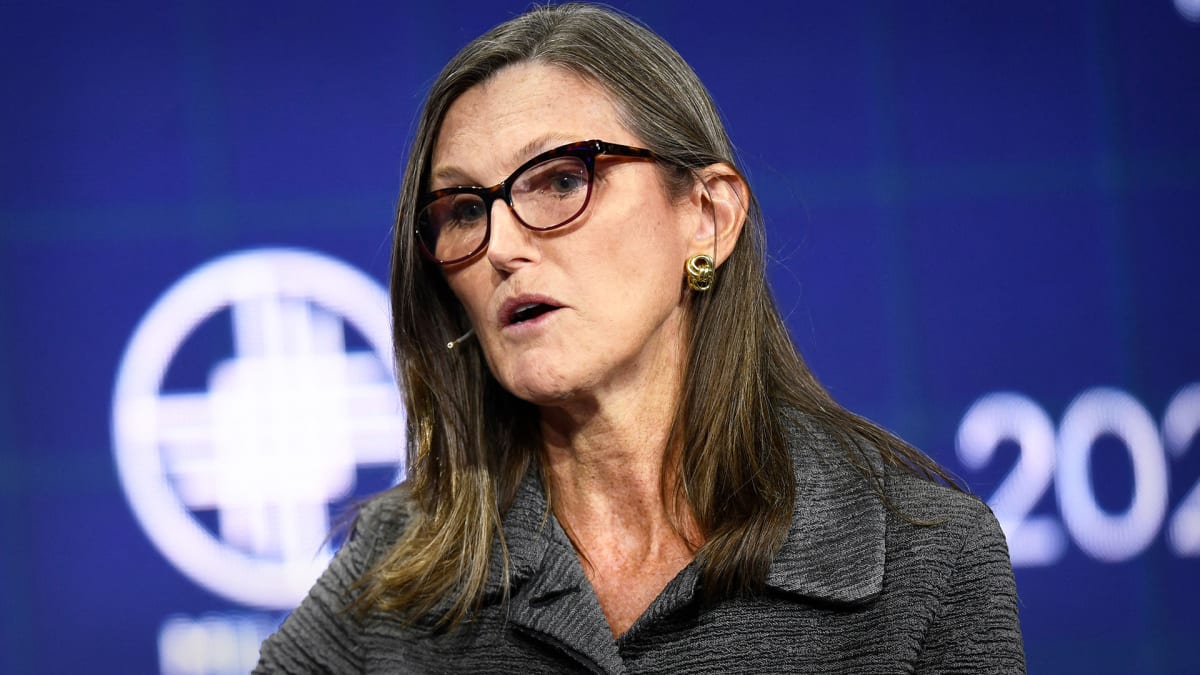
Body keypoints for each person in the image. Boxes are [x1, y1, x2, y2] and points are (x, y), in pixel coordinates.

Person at [256, 3, 1025, 672]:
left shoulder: (927, 561)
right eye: (463, 209)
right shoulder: (399, 570)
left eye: (561, 179)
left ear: (708, 216)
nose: (501, 248)